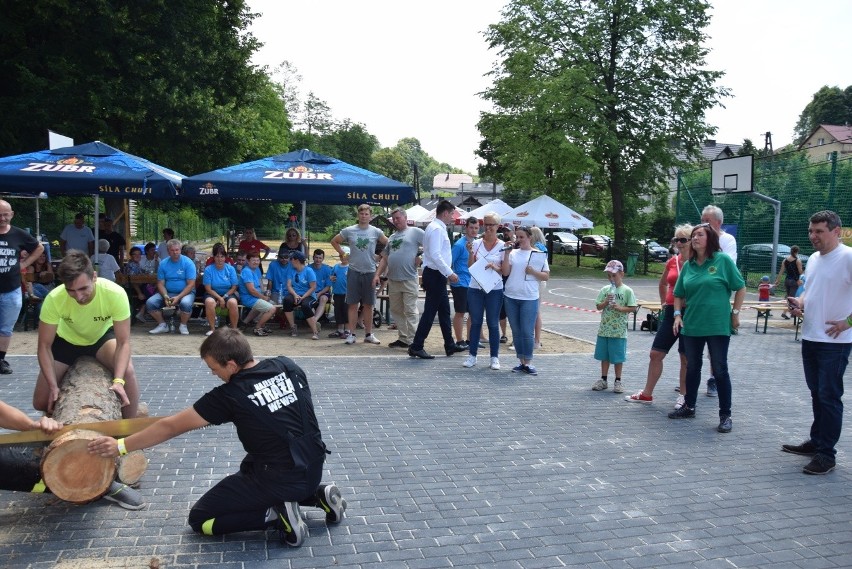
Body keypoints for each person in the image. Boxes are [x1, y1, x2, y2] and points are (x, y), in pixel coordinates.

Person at [87, 328, 347, 546]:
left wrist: (120, 446)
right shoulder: (287, 365)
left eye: (214, 368)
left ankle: (276, 517)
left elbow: (170, 427)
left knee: (201, 520)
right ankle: (319, 495)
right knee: (255, 461)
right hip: (312, 467)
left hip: (277, 478)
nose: (214, 374)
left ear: (231, 364)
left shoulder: (230, 396)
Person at [784, 210, 852, 475]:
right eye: (811, 231)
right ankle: (817, 441)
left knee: (829, 396)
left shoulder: (847, 257)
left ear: (836, 231)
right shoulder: (812, 258)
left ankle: (827, 455)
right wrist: (798, 304)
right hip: (810, 336)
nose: (813, 236)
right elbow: (810, 293)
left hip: (835, 342)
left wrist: (848, 322)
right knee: (817, 394)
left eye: (819, 231)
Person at [34, 251, 140, 418]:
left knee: (127, 371)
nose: (79, 296)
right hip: (66, 341)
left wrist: (119, 381)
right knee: (40, 402)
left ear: (94, 277)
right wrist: (53, 386)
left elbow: (123, 342)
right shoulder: (54, 298)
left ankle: (130, 426)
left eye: (83, 288)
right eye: (71, 291)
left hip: (101, 338)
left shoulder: (115, 293)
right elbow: (44, 346)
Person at [669, 223, 746, 433]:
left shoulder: (722, 261)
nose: (694, 238)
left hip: (718, 325)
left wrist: (735, 314)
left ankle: (725, 415)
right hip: (692, 324)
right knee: (693, 367)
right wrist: (677, 315)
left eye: (699, 235)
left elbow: (740, 287)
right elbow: (678, 294)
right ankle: (689, 406)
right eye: (693, 235)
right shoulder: (689, 265)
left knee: (720, 369)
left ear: (710, 239)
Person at [626, 224, 692, 406]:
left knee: (685, 357)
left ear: (692, 241)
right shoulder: (673, 261)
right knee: (655, 353)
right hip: (671, 311)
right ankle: (647, 394)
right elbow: (663, 283)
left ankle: (684, 396)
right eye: (676, 239)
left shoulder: (698, 263)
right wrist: (664, 302)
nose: (679, 243)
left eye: (683, 240)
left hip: (691, 313)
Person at [407, 201, 464, 360]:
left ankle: (449, 344)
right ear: (445, 213)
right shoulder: (437, 229)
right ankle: (417, 345)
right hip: (436, 274)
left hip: (435, 273)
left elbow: (431, 253)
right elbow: (436, 254)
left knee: (444, 311)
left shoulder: (435, 228)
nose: (452, 217)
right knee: (430, 312)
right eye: (452, 214)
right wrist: (450, 272)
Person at [331, 204, 387, 345]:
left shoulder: (376, 231)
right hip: (354, 271)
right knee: (352, 304)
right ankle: (352, 333)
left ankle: (368, 334)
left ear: (370, 216)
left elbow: (388, 244)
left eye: (366, 214)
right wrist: (343, 253)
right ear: (358, 215)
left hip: (370, 271)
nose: (363, 216)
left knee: (369, 304)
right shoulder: (349, 230)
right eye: (361, 214)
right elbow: (335, 241)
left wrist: (380, 256)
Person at [0, 199, 44, 374]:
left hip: (11, 288)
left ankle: (1, 359)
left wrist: (24, 263)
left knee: (6, 326)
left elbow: (39, 248)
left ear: (11, 214)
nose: (2, 218)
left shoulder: (19, 234)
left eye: (5, 215)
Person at [501, 225, 550, 375]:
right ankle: (520, 361)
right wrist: (507, 254)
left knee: (527, 331)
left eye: (522, 237)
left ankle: (528, 361)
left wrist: (533, 271)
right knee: (516, 330)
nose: (519, 240)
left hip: (529, 296)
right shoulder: (513, 253)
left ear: (530, 237)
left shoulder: (538, 254)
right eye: (517, 237)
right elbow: (505, 272)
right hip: (511, 295)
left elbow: (546, 275)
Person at [700, 205, 737, 397]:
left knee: (715, 345)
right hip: (697, 298)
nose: (703, 223)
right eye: (702, 219)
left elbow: (725, 266)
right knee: (691, 343)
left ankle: (714, 378)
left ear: (718, 222)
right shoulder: (696, 237)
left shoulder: (727, 240)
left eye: (708, 220)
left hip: (717, 299)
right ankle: (688, 380)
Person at [376, 208, 424, 349]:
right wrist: (377, 275)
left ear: (405, 217)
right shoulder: (392, 237)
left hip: (409, 278)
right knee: (396, 310)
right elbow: (385, 258)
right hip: (393, 279)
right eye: (394, 219)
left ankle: (414, 340)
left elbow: (431, 245)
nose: (396, 221)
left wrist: (421, 257)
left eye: (398, 218)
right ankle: (403, 338)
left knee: (410, 310)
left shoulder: (415, 232)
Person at [462, 213, 504, 370]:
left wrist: (495, 267)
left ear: (497, 226)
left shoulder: (502, 245)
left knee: (493, 323)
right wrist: (470, 253)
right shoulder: (477, 243)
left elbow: (505, 271)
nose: (488, 227)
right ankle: (472, 355)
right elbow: (470, 266)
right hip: (475, 286)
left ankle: (494, 357)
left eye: (492, 224)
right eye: (486, 224)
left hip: (494, 288)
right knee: (476, 322)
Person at [591, 260, 637, 393]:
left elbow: (633, 307)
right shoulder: (605, 290)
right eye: (609, 276)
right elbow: (598, 306)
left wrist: (620, 308)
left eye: (614, 275)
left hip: (618, 330)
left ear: (621, 274)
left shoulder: (627, 290)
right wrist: (606, 302)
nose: (611, 278)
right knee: (604, 356)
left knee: (617, 356)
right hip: (605, 329)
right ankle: (603, 379)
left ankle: (618, 380)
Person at [147, 239, 197, 335]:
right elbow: (160, 283)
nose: (175, 252)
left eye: (177, 250)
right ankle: (162, 325)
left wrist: (178, 297)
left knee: (186, 303)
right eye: (172, 250)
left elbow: (191, 284)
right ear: (168, 251)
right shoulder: (163, 263)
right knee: (150, 302)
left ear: (180, 250)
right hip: (168, 292)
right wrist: (165, 296)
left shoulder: (188, 263)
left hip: (186, 292)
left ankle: (183, 325)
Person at [451, 217, 479, 350]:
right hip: (460, 283)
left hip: (473, 283)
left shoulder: (477, 244)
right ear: (466, 228)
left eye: (476, 228)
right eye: (471, 227)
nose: (473, 230)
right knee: (460, 312)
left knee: (474, 313)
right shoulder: (458, 245)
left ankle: (470, 339)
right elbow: (449, 262)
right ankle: (459, 340)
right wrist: (451, 276)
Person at [281, 251, 320, 340]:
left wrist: (303, 297)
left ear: (296, 260)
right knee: (287, 300)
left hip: (308, 295)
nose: (290, 261)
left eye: (291, 259)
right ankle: (293, 327)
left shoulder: (309, 271)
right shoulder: (291, 270)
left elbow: (313, 287)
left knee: (305, 305)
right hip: (296, 294)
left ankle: (315, 331)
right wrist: (295, 295)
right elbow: (289, 285)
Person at [203, 243, 240, 335]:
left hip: (228, 292)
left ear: (225, 257)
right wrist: (219, 298)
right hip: (212, 292)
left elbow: (234, 287)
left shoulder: (230, 269)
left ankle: (234, 329)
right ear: (213, 257)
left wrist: (224, 297)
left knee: (233, 302)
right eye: (217, 256)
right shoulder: (208, 269)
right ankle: (212, 329)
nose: (220, 259)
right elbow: (208, 288)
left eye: (222, 256)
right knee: (209, 302)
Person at [238, 251, 277, 336]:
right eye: (253, 260)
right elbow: (251, 290)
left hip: (256, 297)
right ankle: (258, 328)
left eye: (257, 260)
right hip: (248, 298)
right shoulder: (247, 271)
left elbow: (260, 283)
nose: (256, 262)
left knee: (271, 303)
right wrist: (263, 297)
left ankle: (243, 324)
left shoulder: (257, 269)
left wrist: (265, 292)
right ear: (248, 261)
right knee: (272, 308)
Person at [529, 226, 548, 349]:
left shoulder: (537, 248)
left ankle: (535, 339)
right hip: (538, 279)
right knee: (536, 310)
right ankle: (536, 339)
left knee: (534, 310)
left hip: (536, 279)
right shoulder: (543, 247)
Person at [775, 245, 804, 319]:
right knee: (791, 298)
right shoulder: (797, 260)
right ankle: (785, 312)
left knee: (788, 296)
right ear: (797, 251)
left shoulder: (785, 260)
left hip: (787, 280)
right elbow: (800, 272)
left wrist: (777, 280)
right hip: (794, 281)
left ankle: (790, 312)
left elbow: (781, 271)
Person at [328, 247, 350, 338]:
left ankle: (348, 330)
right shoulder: (336, 267)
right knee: (338, 311)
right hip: (337, 292)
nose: (342, 257)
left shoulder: (351, 267)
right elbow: (332, 276)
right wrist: (331, 278)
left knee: (346, 312)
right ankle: (340, 330)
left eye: (345, 255)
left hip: (347, 293)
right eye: (341, 255)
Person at [309, 249, 333, 323]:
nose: (318, 260)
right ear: (313, 257)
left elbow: (328, 286)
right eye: (316, 257)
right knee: (307, 301)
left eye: (320, 258)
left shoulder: (327, 269)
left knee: (323, 299)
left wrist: (319, 294)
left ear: (323, 259)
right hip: (310, 291)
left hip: (323, 292)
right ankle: (315, 321)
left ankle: (314, 321)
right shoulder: (308, 269)